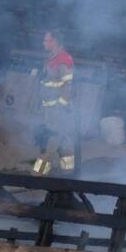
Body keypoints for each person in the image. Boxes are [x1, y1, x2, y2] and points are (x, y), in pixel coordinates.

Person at [32, 29, 76, 176]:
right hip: (50, 109)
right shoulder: (52, 58)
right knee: (63, 141)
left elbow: (68, 86)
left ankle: (39, 174)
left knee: (49, 141)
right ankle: (68, 172)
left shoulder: (63, 59)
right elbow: (49, 82)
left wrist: (61, 107)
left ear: (54, 42)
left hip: (57, 110)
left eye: (46, 40)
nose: (43, 43)